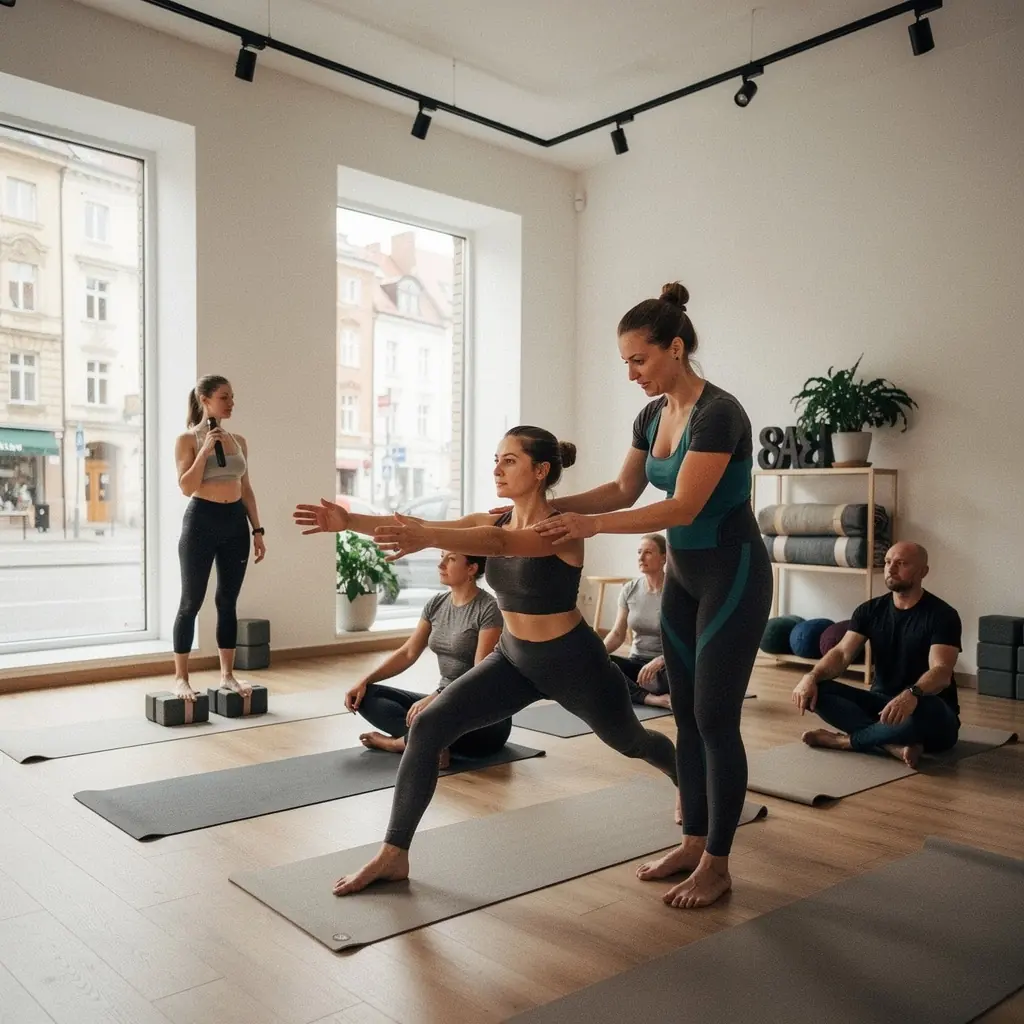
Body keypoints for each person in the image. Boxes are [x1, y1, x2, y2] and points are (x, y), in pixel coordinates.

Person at [293, 425, 677, 896]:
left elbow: (499, 547)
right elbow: (424, 525)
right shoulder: (494, 521)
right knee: (429, 726)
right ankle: (394, 854)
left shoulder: (563, 525)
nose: (497, 468)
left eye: (509, 460)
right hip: (514, 659)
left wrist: (425, 535)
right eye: (496, 459)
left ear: (540, 471)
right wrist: (347, 522)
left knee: (632, 741)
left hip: (573, 661)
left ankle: (683, 775)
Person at [523, 282, 772, 909]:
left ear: (676, 349)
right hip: (686, 580)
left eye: (639, 360)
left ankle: (718, 862)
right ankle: (693, 842)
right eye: (625, 363)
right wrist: (546, 504)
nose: (631, 373)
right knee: (685, 717)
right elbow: (623, 489)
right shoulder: (650, 415)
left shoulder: (720, 413)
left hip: (733, 573)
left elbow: (683, 503)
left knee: (716, 719)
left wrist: (591, 527)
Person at [791, 541, 961, 768]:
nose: (890, 569)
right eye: (888, 562)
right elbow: (842, 654)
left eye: (901, 563)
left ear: (923, 572)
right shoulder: (869, 610)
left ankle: (844, 742)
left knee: (928, 710)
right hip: (881, 705)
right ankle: (891, 745)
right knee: (819, 691)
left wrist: (912, 694)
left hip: (927, 710)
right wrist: (810, 677)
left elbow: (941, 672)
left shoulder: (943, 615)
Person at [346, 550, 507, 767]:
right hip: (442, 704)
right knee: (366, 697)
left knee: (433, 716)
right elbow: (408, 652)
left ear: (472, 568)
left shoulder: (488, 608)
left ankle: (398, 744)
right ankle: (431, 743)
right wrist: (364, 681)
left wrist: (437, 696)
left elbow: (480, 674)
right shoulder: (436, 604)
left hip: (483, 718)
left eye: (450, 559)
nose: (440, 564)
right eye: (441, 557)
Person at [172, 375, 265, 700]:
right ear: (205, 399)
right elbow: (186, 486)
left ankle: (227, 675)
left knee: (228, 601)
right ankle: (181, 678)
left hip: (234, 524)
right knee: (191, 603)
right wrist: (205, 450)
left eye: (232, 397)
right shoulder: (188, 440)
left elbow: (247, 489)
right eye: (224, 397)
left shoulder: (239, 440)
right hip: (201, 522)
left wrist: (258, 530)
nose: (231, 403)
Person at [603, 534, 671, 709]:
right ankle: (652, 699)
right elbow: (618, 634)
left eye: (648, 552)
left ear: (664, 557)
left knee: (682, 677)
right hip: (637, 664)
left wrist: (661, 660)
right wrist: (596, 655)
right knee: (599, 666)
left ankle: (635, 692)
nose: (641, 558)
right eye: (639, 552)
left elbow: (689, 639)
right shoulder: (630, 589)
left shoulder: (676, 591)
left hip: (665, 668)